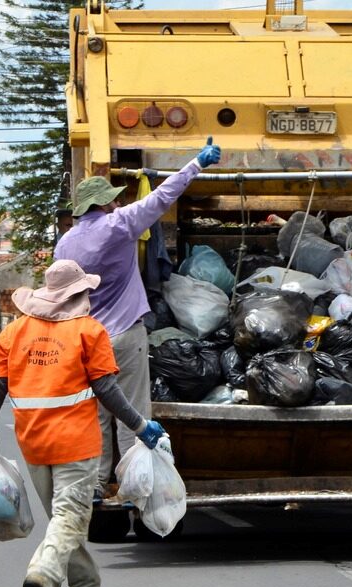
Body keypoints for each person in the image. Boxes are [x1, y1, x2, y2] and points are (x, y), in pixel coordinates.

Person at [0, 260, 167, 587]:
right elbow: (107, 389)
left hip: (33, 444)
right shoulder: (90, 331)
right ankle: (43, 575)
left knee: (63, 520)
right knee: (69, 518)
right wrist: (140, 426)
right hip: (76, 443)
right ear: (79, 294)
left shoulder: (14, 332)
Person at [55, 137, 221, 502]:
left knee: (96, 414)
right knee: (131, 414)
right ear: (105, 203)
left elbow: (60, 293)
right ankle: (133, 487)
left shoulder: (65, 244)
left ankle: (97, 485)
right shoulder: (120, 224)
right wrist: (197, 163)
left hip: (84, 340)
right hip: (125, 336)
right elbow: (162, 197)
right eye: (114, 197)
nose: (119, 200)